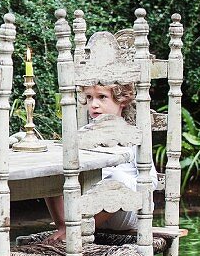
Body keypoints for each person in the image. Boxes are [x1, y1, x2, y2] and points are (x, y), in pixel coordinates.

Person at [44, 82, 139, 242]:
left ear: (122, 100)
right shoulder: (81, 135)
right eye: (89, 97)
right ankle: (64, 226)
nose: (94, 104)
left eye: (102, 97)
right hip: (87, 208)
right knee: (51, 171)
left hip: (123, 212)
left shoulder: (133, 136)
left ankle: (75, 230)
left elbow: (151, 181)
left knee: (119, 181)